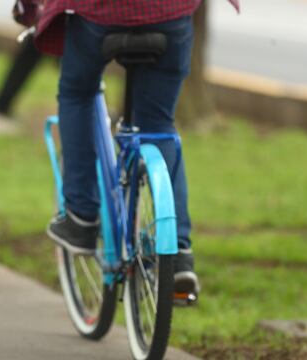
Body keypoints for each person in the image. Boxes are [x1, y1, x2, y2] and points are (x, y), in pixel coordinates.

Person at [14, 0, 240, 300]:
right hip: (170, 12)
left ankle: (81, 217)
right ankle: (179, 253)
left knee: (78, 94)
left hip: (97, 13)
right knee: (158, 125)